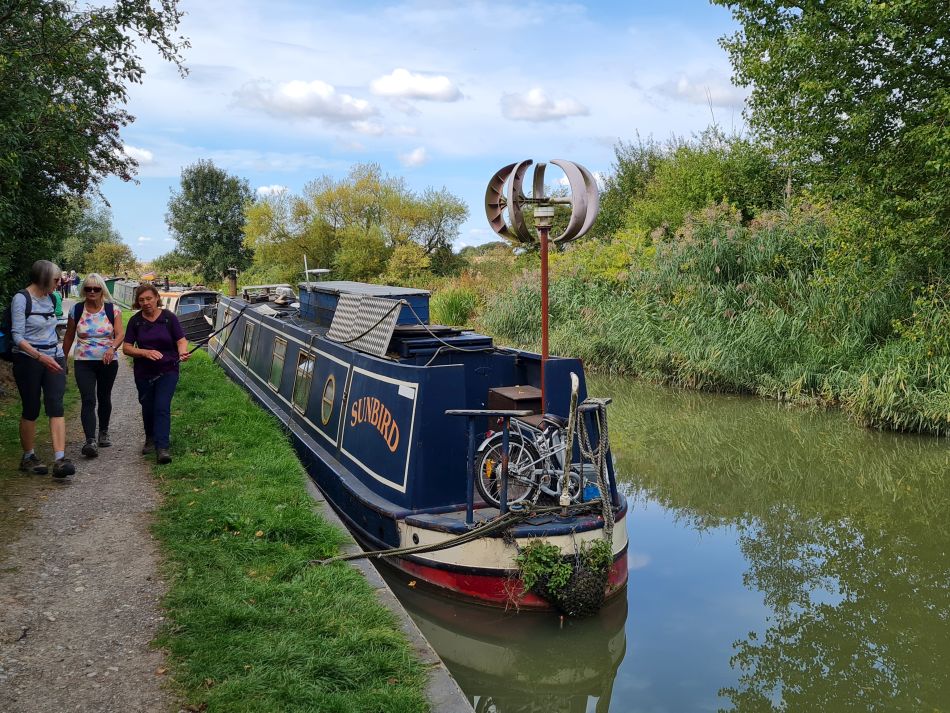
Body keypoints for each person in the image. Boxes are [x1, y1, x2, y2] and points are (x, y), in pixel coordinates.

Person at [11, 260, 74, 477]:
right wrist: (39, 357)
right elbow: (17, 336)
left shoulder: (52, 298)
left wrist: (58, 357)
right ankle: (28, 457)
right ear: (44, 277)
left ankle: (60, 460)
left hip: (54, 357)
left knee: (56, 405)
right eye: (56, 279)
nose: (59, 283)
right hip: (28, 359)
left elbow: (51, 328)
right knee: (31, 407)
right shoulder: (21, 299)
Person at [122, 284, 189, 464]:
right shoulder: (135, 321)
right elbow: (126, 348)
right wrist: (145, 352)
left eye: (149, 299)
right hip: (144, 372)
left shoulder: (169, 318)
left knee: (162, 406)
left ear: (157, 298)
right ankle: (150, 437)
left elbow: (181, 340)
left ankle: (162, 448)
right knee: (148, 405)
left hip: (168, 369)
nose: (146, 303)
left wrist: (182, 352)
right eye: (141, 300)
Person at [62, 273, 124, 458]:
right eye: (88, 288)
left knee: (104, 396)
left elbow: (120, 334)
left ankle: (103, 432)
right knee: (88, 399)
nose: (92, 292)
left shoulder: (113, 310)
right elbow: (69, 336)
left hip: (108, 361)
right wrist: (63, 359)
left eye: (96, 289)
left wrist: (112, 348)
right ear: (84, 290)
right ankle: (90, 440)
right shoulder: (77, 309)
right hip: (83, 361)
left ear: (102, 290)